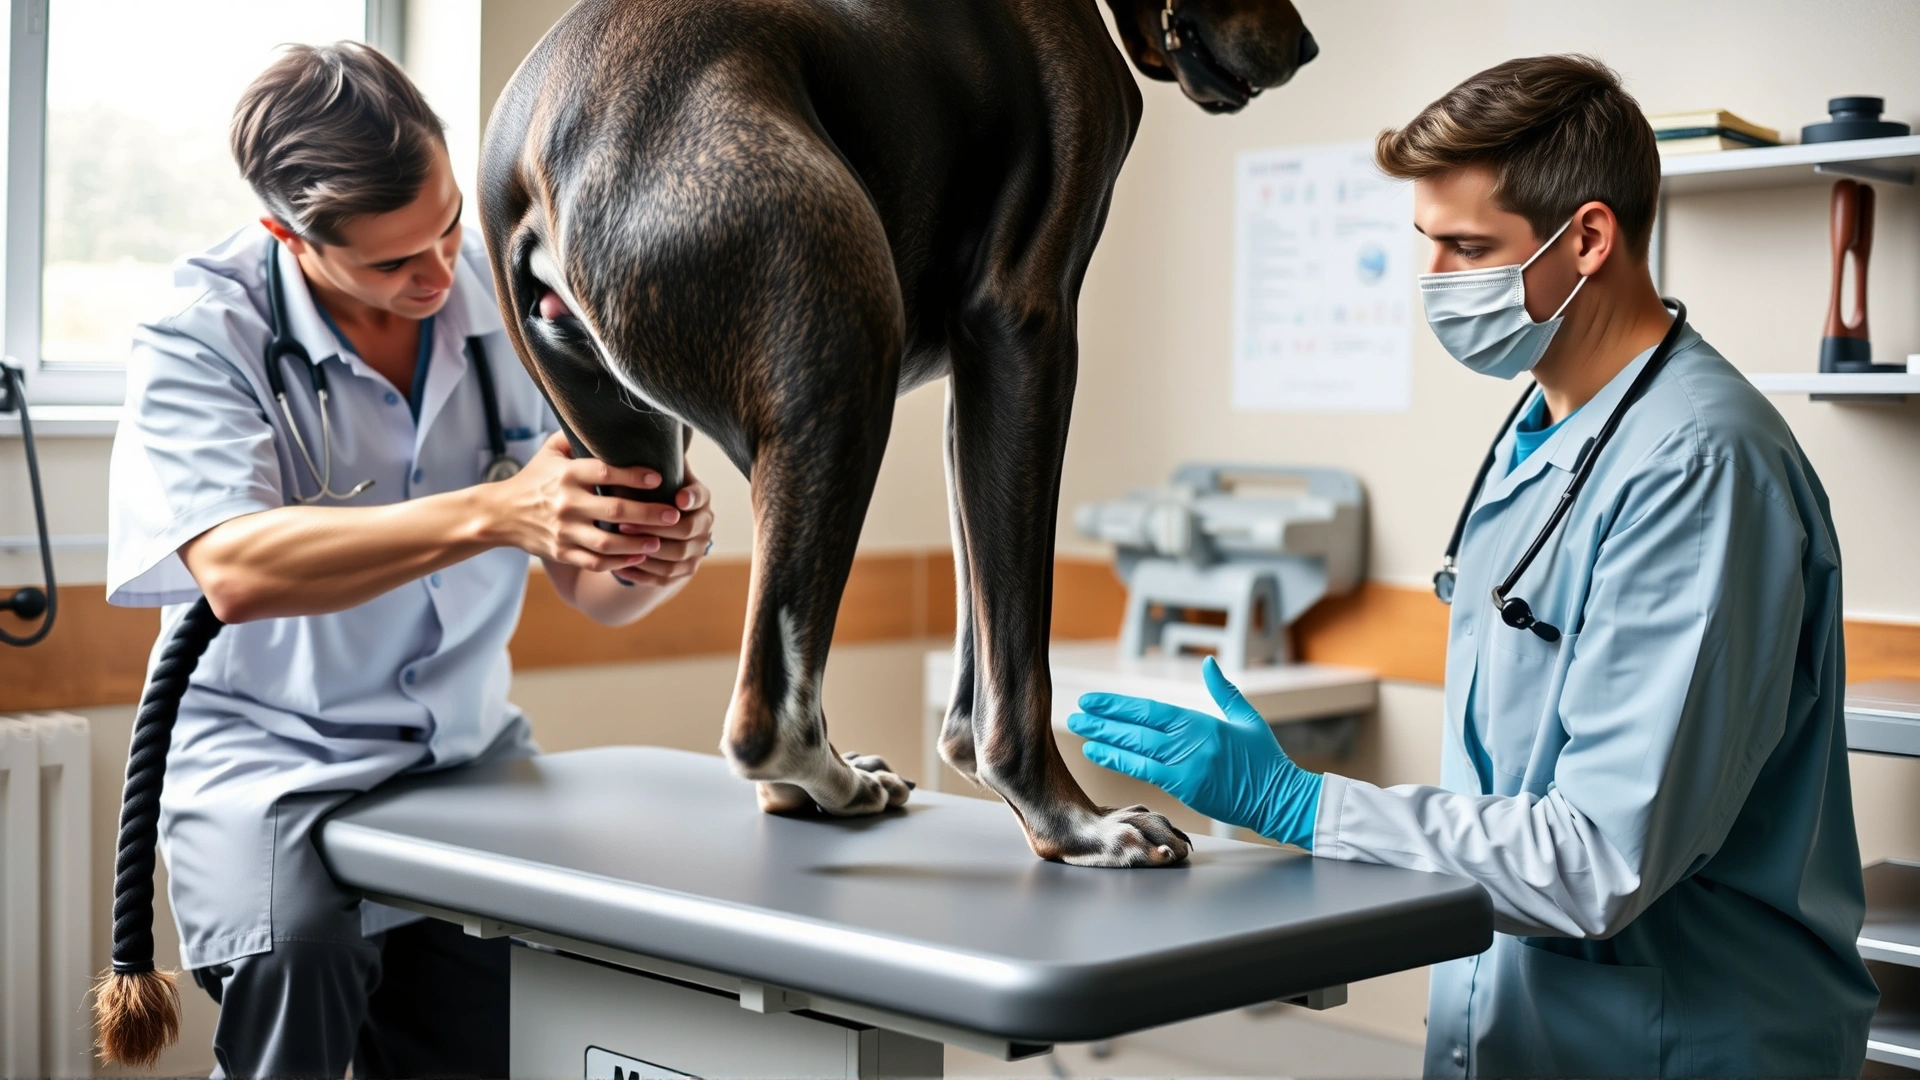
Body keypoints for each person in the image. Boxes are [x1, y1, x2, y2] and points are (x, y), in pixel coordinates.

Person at [1069, 55, 1876, 1078]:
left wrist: (1303, 806)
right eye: (1427, 246)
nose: (1436, 284)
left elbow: (1594, 861)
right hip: (1528, 1029)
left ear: (1588, 237)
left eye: (1467, 248)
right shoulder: (1544, 428)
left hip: (1680, 1039)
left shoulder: (1701, 469)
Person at [104, 43, 715, 1078]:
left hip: (467, 761)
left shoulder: (508, 294)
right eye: (393, 262)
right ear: (287, 236)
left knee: (514, 1026)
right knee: (301, 964)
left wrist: (643, 553)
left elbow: (591, 593)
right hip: (272, 762)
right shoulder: (201, 334)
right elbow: (237, 570)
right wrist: (498, 513)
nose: (439, 274)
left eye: (445, 227)